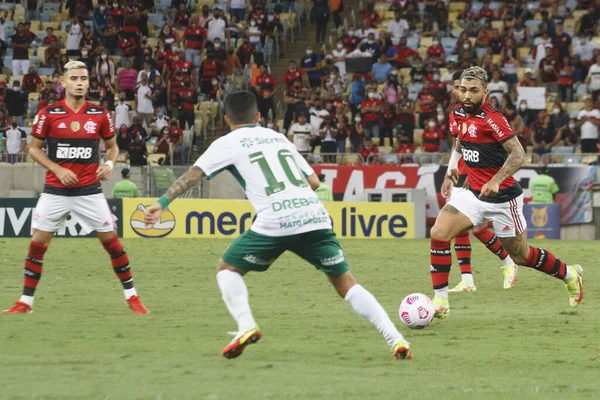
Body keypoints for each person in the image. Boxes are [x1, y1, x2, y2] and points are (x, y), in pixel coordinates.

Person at [143, 90, 412, 360]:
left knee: (227, 269)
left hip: (275, 218)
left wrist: (162, 202)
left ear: (226, 119)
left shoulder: (226, 143)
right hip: (313, 215)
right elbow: (314, 183)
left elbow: (193, 176)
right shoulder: (278, 137)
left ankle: (246, 325)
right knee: (347, 283)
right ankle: (396, 339)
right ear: (258, 116)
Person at [431, 67, 583, 319]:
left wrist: (496, 180)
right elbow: (459, 140)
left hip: (503, 199)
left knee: (521, 256)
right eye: (463, 90)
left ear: (485, 92)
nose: (466, 95)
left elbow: (518, 154)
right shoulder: (457, 113)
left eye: (473, 90)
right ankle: (440, 302)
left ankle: (569, 274)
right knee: (439, 232)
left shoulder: (493, 118)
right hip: (472, 193)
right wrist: (451, 171)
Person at [3, 61, 148, 315]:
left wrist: (110, 163)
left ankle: (132, 297)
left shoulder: (100, 114)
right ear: (63, 81)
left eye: (84, 78)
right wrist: (57, 169)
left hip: (89, 191)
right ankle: (26, 302)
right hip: (55, 191)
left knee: (112, 243)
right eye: (74, 78)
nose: (80, 82)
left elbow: (112, 147)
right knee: (37, 244)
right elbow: (33, 149)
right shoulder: (49, 113)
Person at [446, 70, 517, 293]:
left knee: (476, 229)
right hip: (465, 175)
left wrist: (470, 175)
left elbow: (488, 149)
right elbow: (458, 145)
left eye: (466, 88)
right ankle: (467, 280)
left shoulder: (487, 117)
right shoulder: (456, 113)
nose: (462, 92)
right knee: (458, 228)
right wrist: (450, 172)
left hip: (480, 177)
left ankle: (509, 261)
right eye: (458, 88)